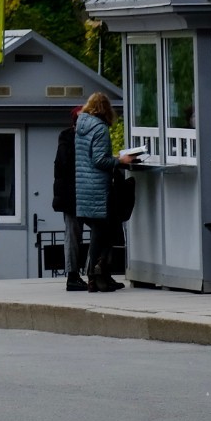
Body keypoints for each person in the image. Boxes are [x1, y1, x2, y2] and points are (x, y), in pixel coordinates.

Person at [75, 91, 132, 293]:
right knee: (104, 233)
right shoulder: (99, 129)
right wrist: (120, 160)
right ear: (106, 109)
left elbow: (89, 158)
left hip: (83, 187)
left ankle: (99, 276)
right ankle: (96, 274)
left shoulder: (81, 127)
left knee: (100, 232)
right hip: (98, 188)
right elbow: (99, 160)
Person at [53, 109, 87, 290]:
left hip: (74, 194)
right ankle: (73, 275)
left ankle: (86, 272)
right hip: (73, 195)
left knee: (76, 233)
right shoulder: (68, 140)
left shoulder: (65, 138)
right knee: (74, 234)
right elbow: (66, 164)